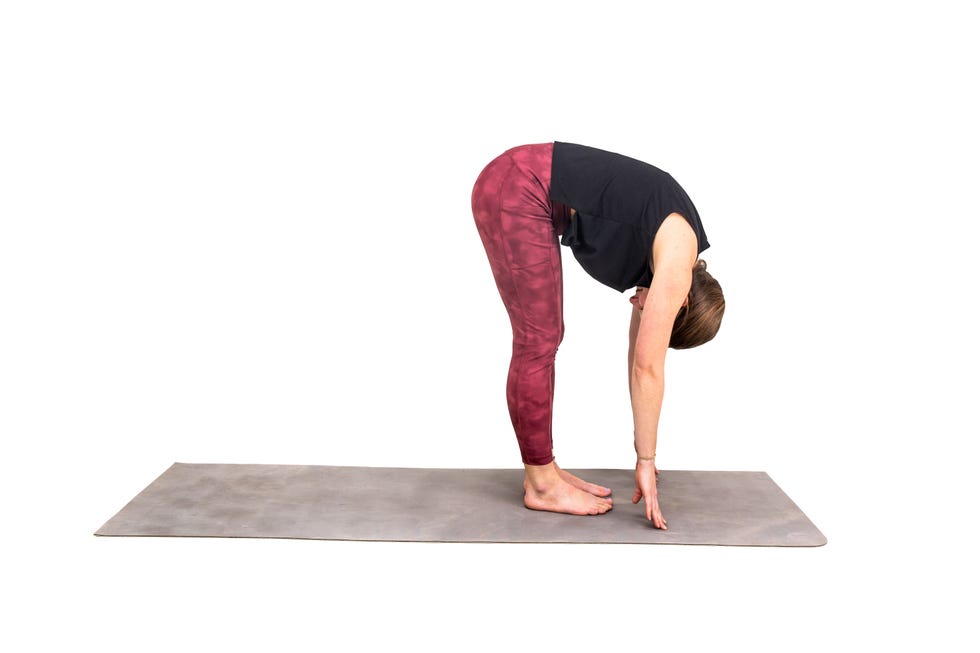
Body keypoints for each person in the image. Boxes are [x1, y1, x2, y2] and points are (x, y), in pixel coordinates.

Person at [470, 141, 725, 529]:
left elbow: (639, 355)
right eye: (659, 313)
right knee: (539, 339)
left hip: (518, 183)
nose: (641, 307)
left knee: (544, 336)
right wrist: (646, 459)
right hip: (518, 187)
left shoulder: (673, 250)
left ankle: (546, 469)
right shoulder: (675, 264)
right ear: (683, 303)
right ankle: (540, 483)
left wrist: (642, 447)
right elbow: (648, 367)